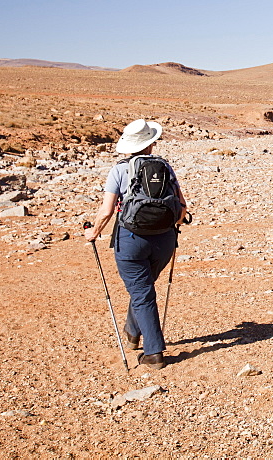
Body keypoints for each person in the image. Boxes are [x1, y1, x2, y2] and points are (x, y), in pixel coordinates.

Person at [84, 119, 188, 369]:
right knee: (143, 288)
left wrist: (93, 233)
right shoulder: (165, 167)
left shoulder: (119, 170)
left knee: (142, 292)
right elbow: (182, 208)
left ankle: (153, 352)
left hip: (131, 240)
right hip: (164, 240)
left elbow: (107, 210)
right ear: (151, 144)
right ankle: (132, 332)